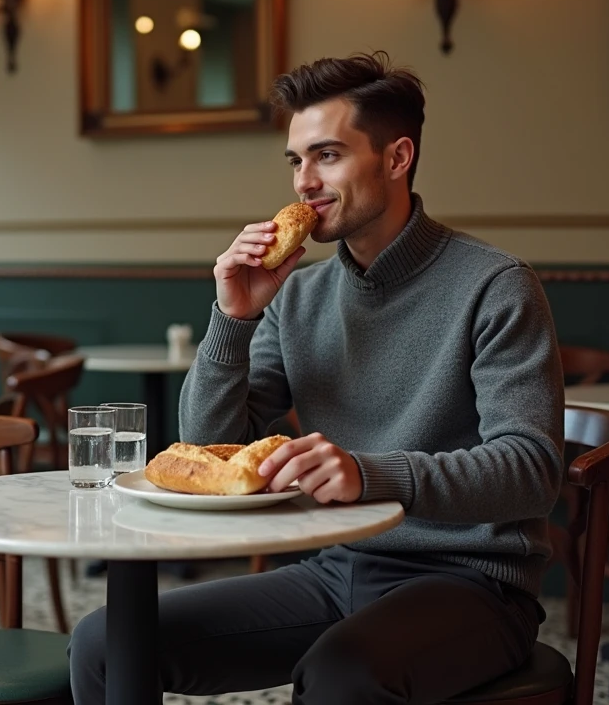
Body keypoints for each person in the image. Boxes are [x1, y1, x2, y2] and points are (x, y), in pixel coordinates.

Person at [68, 51, 564, 705]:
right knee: (107, 644)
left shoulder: (495, 285)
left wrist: (370, 474)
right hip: (338, 567)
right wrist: (233, 317)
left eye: (327, 155)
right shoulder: (298, 297)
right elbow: (214, 445)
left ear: (397, 158)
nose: (304, 181)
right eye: (296, 160)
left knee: (341, 675)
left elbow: (531, 470)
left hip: (473, 584)